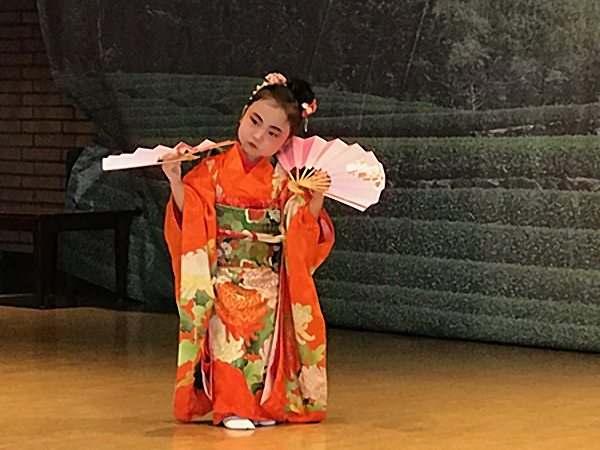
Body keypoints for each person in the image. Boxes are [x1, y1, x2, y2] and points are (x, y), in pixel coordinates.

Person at [162, 73, 334, 430]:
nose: (259, 136)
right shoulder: (211, 169)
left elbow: (301, 228)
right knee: (229, 342)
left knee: (265, 347)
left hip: (268, 280)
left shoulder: (285, 180)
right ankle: (230, 407)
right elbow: (192, 213)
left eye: (274, 133)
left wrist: (316, 195)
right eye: (255, 122)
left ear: (286, 140)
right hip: (223, 276)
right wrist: (176, 180)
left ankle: (261, 407)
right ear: (243, 114)